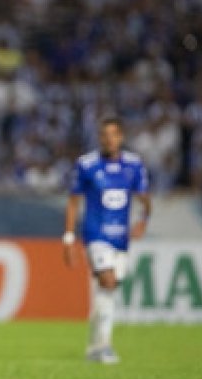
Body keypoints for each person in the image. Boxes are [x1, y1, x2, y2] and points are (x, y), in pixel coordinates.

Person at [62, 116, 151, 364]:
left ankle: (95, 346)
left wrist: (143, 220)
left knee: (108, 290)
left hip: (121, 237)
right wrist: (68, 238)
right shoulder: (87, 165)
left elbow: (144, 198)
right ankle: (104, 347)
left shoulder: (134, 165)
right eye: (104, 135)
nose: (108, 139)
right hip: (95, 234)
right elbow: (73, 202)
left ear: (121, 137)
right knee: (108, 281)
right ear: (99, 138)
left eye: (113, 134)